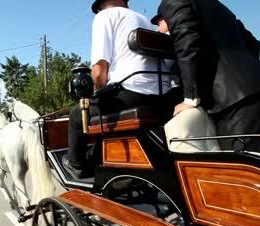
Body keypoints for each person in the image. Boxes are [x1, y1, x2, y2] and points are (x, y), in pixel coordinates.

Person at [156, 0, 260, 162]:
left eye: (158, 22)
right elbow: (251, 41)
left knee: (248, 175)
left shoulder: (173, 1)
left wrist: (190, 99)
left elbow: (187, 42)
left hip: (238, 104)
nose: (158, 28)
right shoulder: (218, 6)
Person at [63, 0, 182, 178]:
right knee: (101, 108)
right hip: (163, 95)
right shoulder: (142, 18)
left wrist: (94, 94)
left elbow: (99, 71)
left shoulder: (105, 16)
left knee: (76, 115)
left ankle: (77, 166)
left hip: (132, 93)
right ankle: (101, 156)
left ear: (101, 5)